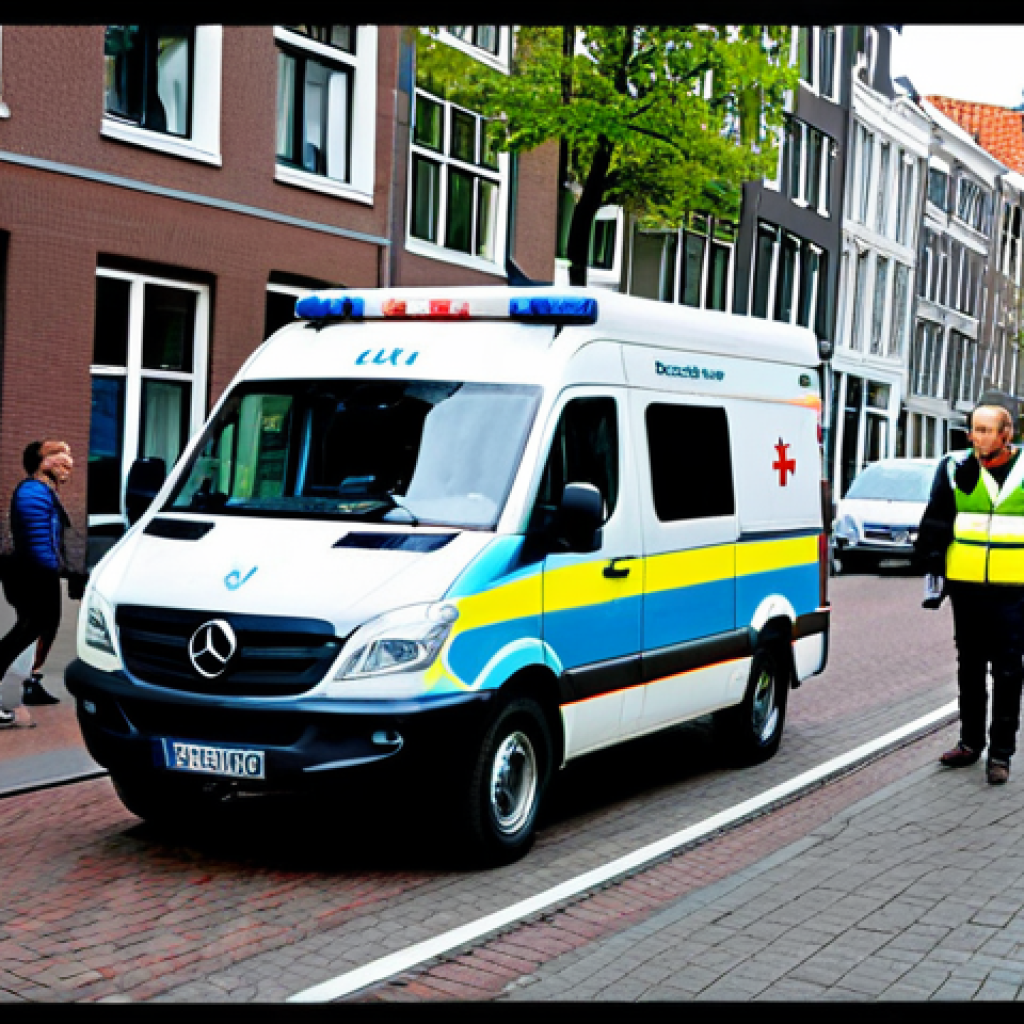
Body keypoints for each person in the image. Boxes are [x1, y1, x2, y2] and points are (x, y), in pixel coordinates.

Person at [916, 391, 1024, 785]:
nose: (976, 437)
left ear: (1005, 434)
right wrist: (931, 564)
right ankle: (970, 742)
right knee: (970, 666)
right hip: (967, 587)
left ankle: (1000, 754)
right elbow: (936, 521)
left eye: (984, 430)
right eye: (973, 430)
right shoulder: (953, 468)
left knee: (1009, 670)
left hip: (1014, 588)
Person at [0, 440, 76, 711]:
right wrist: (52, 571)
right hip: (35, 573)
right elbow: (37, 541)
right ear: (42, 463)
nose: (69, 462)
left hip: (39, 572)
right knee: (29, 629)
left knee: (42, 628)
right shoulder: (32, 491)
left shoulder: (43, 491)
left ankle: (26, 682)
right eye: (59, 455)